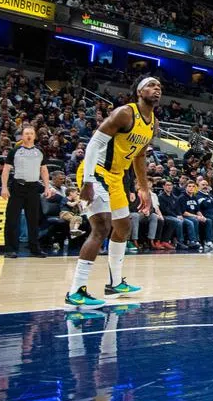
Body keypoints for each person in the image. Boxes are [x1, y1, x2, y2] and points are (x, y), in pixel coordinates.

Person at [65, 76, 161, 309]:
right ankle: (75, 291)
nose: (156, 89)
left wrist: (143, 189)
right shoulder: (124, 113)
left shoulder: (153, 124)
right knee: (101, 227)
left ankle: (115, 284)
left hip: (117, 177)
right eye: (151, 85)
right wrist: (87, 181)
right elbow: (93, 145)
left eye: (159, 87)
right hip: (96, 172)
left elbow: (139, 156)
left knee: (124, 227)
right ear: (139, 91)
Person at [1, 124, 54, 258]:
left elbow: (44, 170)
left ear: (34, 136)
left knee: (33, 220)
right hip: (17, 187)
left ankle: (34, 248)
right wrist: (4, 187)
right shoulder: (15, 150)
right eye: (26, 134)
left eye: (31, 133)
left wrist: (47, 187)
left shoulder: (40, 151)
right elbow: (6, 169)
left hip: (33, 188)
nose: (29, 136)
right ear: (22, 136)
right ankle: (10, 249)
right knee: (12, 219)